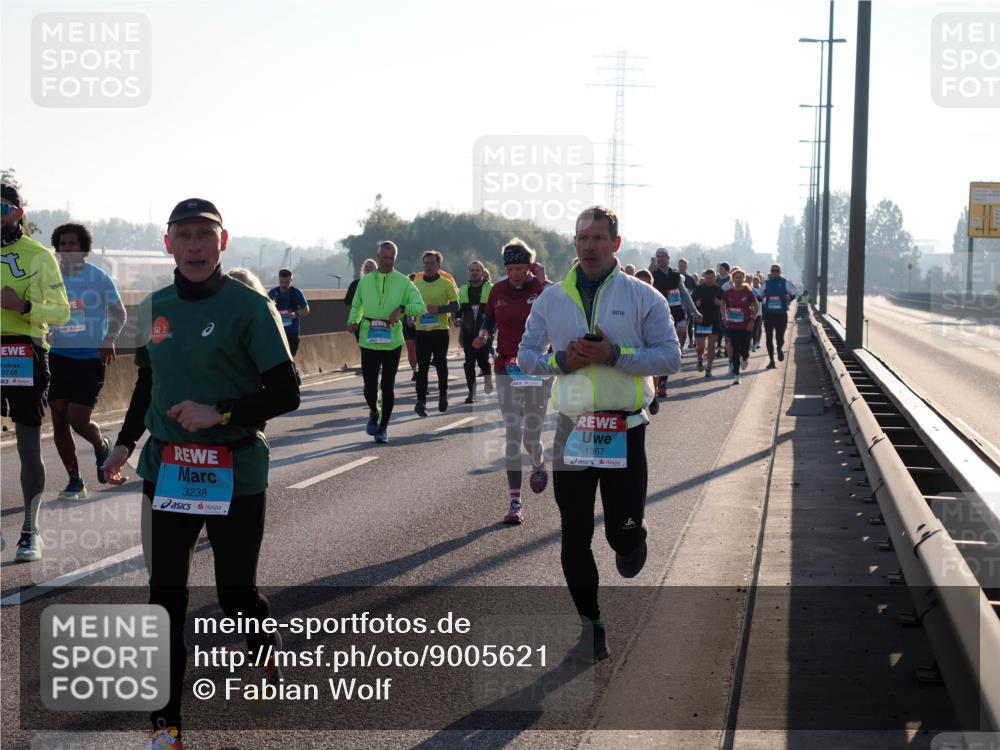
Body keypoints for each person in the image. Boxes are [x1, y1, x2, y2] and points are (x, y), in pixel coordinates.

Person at [100, 198, 301, 750]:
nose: (194, 246)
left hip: (235, 467)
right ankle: (166, 727)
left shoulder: (251, 307)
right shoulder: (155, 307)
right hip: (169, 468)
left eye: (204, 236)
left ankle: (261, 642)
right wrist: (124, 444)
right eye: (183, 236)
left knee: (235, 597)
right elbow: (148, 384)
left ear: (222, 242)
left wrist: (222, 412)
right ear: (168, 243)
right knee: (164, 600)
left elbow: (287, 392)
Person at [518, 206, 680, 661]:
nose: (589, 246)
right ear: (574, 243)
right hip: (573, 429)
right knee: (574, 534)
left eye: (598, 238)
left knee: (620, 537)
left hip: (623, 428)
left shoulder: (644, 297)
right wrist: (560, 362)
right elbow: (525, 356)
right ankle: (591, 626)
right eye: (582, 238)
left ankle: (632, 537)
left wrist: (614, 355)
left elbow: (669, 357)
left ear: (615, 243)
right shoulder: (550, 299)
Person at [1, 184, 71, 562]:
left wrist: (24, 305)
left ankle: (30, 532)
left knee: (28, 445)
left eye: (2, 208)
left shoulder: (39, 255)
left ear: (18, 213)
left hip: (23, 351)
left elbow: (62, 312)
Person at [48, 223, 126, 501]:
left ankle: (100, 443)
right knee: (58, 416)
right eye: (63, 244)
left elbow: (119, 313)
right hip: (58, 356)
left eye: (73, 244)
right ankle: (74, 480)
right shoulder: (50, 277)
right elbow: (42, 310)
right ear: (57, 248)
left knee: (77, 419)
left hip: (90, 358)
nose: (68, 248)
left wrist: (109, 338)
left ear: (84, 248)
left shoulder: (99, 277)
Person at [473, 239, 550, 524]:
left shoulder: (542, 288)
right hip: (506, 365)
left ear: (530, 266)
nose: (515, 274)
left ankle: (538, 460)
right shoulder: (497, 290)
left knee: (531, 435)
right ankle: (515, 502)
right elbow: (489, 320)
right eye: (510, 269)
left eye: (520, 268)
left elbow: (562, 308)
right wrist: (484, 335)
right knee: (513, 432)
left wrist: (543, 282)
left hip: (537, 367)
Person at [347, 241, 425, 442]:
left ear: (395, 258)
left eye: (391, 258)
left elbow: (420, 306)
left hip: (392, 342)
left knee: (387, 385)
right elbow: (356, 306)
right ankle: (374, 410)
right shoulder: (365, 281)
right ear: (378, 256)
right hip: (368, 339)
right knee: (369, 387)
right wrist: (353, 320)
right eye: (384, 258)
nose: (388, 262)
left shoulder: (404, 282)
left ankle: (383, 428)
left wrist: (402, 309)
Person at [412, 250, 460, 417]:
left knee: (441, 364)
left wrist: (438, 309)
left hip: (440, 330)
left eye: (432, 263)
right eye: (426, 263)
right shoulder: (416, 284)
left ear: (438, 265)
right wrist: (411, 315)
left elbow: (456, 306)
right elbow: (410, 304)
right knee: (422, 367)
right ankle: (421, 402)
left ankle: (443, 395)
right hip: (422, 331)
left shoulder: (446, 284)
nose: (428, 266)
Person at [649, 248, 697, 398]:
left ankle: (663, 382)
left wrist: (695, 311)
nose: (660, 259)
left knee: (671, 346)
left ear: (668, 258)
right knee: (659, 349)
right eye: (658, 256)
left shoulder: (676, 275)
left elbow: (685, 294)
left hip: (676, 314)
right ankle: (655, 383)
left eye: (663, 256)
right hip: (658, 316)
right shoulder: (652, 274)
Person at [457, 260, 493, 403]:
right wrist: (456, 318)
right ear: (469, 272)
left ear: (483, 273)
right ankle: (471, 393)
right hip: (468, 331)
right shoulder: (463, 289)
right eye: (472, 270)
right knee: (469, 363)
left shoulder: (490, 288)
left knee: (483, 361)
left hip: (484, 331)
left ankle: (488, 380)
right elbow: (459, 309)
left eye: (478, 270)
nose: (475, 273)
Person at [721, 267, 758, 385]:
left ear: (744, 279)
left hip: (746, 326)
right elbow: (722, 304)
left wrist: (752, 320)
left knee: (745, 349)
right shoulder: (728, 292)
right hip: (732, 326)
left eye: (741, 278)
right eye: (736, 278)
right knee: (735, 350)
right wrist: (724, 317)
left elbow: (756, 307)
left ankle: (745, 357)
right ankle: (737, 375)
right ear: (733, 279)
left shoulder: (748, 292)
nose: (738, 280)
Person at [633, 268, 660, 415]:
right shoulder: (627, 298)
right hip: (635, 339)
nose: (643, 286)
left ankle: (653, 393)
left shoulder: (657, 299)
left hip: (652, 337)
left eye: (646, 283)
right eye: (640, 282)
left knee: (652, 368)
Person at [267, 268, 310, 356]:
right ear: (278, 279)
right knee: (278, 356)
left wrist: (296, 314)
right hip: (277, 330)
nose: (283, 285)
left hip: (292, 331)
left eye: (286, 282)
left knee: (290, 355)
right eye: (281, 282)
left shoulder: (297, 293)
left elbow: (306, 310)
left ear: (291, 280)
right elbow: (265, 309)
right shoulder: (272, 293)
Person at [691, 268, 724, 378]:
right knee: (700, 347)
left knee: (711, 346)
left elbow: (725, 304)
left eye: (711, 278)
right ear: (704, 278)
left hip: (714, 320)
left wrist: (720, 303)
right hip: (701, 320)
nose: (709, 280)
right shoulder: (698, 289)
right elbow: (691, 302)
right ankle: (700, 359)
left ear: (715, 278)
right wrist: (696, 304)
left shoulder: (719, 290)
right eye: (707, 278)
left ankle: (709, 368)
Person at [762, 263, 797, 368]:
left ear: (780, 272)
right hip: (768, 314)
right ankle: (771, 361)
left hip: (781, 314)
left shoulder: (785, 282)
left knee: (780, 337)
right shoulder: (766, 283)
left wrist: (789, 298)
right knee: (768, 337)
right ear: (770, 272)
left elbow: (794, 294)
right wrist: (763, 299)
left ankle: (779, 348)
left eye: (777, 270)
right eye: (773, 270)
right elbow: (759, 295)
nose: (775, 272)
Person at [403, 272, 418, 378]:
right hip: (408, 323)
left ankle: (421, 369)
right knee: (410, 349)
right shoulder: (404, 292)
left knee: (420, 349)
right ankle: (415, 371)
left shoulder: (422, 291)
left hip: (421, 322)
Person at [750, 274, 764, 355]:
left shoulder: (760, 290)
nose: (755, 283)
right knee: (751, 328)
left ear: (759, 282)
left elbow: (762, 300)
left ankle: (755, 343)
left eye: (756, 282)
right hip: (751, 312)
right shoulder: (750, 289)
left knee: (757, 328)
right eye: (754, 282)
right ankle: (751, 342)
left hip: (759, 312)